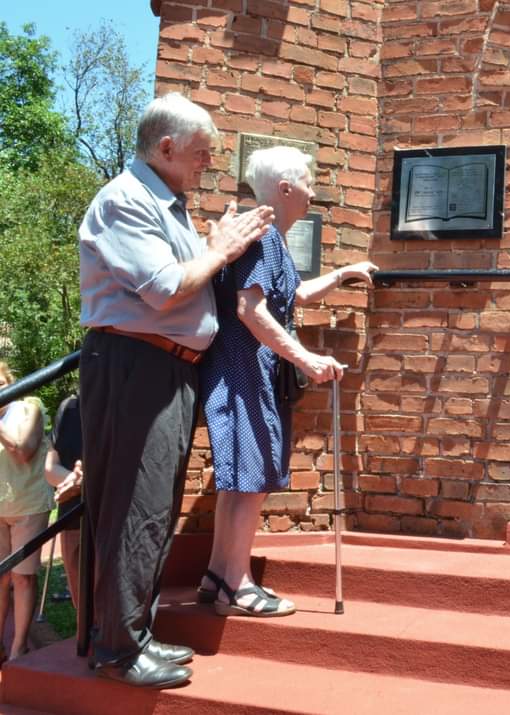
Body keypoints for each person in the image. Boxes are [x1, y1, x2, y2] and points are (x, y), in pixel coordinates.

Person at [79, 92, 273, 688]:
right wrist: (220, 249)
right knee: (133, 506)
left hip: (167, 369)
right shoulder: (125, 200)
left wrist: (213, 249)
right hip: (134, 365)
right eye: (199, 154)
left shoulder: (168, 204)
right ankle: (117, 649)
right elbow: (165, 288)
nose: (207, 165)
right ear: (164, 147)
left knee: (154, 506)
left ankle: (131, 634)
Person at [196, 146, 377, 616]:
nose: (313, 192)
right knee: (248, 480)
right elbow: (249, 308)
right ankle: (236, 585)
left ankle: (219, 577)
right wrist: (307, 358)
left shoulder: (270, 237)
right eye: (308, 182)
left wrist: (342, 273)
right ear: (285, 188)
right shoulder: (261, 235)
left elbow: (291, 294)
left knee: (240, 480)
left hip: (249, 372)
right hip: (242, 371)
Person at [0, 362, 53, 663]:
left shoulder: (30, 408)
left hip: (28, 505)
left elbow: (23, 452)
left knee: (22, 577)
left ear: (11, 382)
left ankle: (19, 646)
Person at [44, 392, 83, 609]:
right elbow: (50, 468)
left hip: (113, 522)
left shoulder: (122, 400)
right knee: (83, 608)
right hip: (72, 518)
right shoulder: (68, 407)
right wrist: (75, 481)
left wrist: (87, 483)